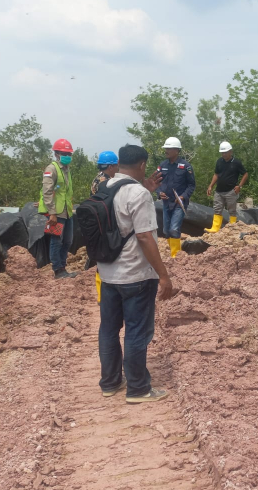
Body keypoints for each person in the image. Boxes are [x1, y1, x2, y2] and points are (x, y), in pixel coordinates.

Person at [97, 144, 174, 403]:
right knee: (136, 332)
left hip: (108, 273)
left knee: (108, 330)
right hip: (136, 276)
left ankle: (110, 382)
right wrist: (163, 275)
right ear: (142, 165)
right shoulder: (138, 194)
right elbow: (143, 236)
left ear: (119, 164)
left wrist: (147, 191)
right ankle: (139, 389)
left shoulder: (104, 187)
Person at [38, 138, 76, 279]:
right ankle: (58, 270)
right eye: (63, 153)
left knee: (68, 241)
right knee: (57, 240)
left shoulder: (66, 169)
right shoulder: (51, 169)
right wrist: (52, 213)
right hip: (56, 211)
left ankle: (62, 267)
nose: (67, 157)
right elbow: (47, 191)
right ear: (56, 154)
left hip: (66, 211)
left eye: (69, 154)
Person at [156, 137, 195, 258]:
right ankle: (173, 251)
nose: (166, 150)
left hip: (179, 203)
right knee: (166, 231)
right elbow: (157, 182)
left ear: (176, 150)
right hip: (166, 202)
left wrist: (183, 196)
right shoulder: (162, 165)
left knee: (174, 229)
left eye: (169, 148)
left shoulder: (185, 166)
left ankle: (175, 256)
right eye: (166, 148)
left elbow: (191, 184)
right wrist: (159, 192)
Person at [90, 150, 119, 304]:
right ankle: (103, 296)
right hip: (103, 224)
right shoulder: (105, 182)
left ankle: (102, 295)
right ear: (110, 166)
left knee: (102, 260)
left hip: (97, 223)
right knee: (105, 259)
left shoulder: (98, 179)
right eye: (115, 166)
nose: (117, 169)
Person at [205, 141, 248, 233]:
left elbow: (245, 174)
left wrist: (239, 186)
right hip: (219, 190)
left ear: (230, 152)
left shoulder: (236, 162)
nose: (224, 154)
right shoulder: (219, 161)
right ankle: (215, 228)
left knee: (232, 210)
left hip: (231, 191)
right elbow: (216, 174)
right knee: (217, 209)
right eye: (222, 153)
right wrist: (210, 186)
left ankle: (232, 228)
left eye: (225, 152)